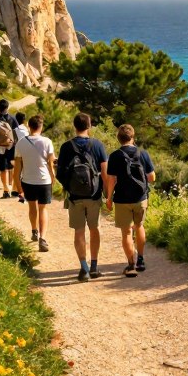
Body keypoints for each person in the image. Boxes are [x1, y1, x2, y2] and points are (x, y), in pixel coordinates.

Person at [57, 113, 111, 282]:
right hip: (94, 195)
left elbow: (60, 174)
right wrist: (107, 194)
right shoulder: (97, 145)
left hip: (75, 196)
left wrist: (69, 187)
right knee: (95, 229)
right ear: (89, 126)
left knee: (79, 232)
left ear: (75, 126)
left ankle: (84, 268)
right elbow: (105, 173)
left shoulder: (66, 147)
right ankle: (95, 266)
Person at [107, 124, 155, 277]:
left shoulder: (114, 156)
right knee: (139, 226)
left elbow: (112, 180)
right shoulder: (143, 153)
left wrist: (108, 198)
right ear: (133, 137)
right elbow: (152, 177)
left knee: (126, 232)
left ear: (118, 138)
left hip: (121, 199)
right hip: (140, 198)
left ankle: (131, 264)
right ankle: (141, 259)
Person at [13, 115, 56, 252]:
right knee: (43, 209)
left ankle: (34, 231)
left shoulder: (20, 143)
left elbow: (17, 168)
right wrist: (53, 178)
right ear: (41, 127)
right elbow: (51, 163)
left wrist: (18, 186)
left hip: (27, 180)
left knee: (32, 207)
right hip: (44, 181)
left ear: (29, 126)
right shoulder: (47, 142)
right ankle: (42, 239)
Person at [13, 111, 28, 204]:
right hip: (25, 153)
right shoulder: (26, 130)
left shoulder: (14, 129)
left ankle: (17, 190)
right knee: (23, 173)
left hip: (16, 153)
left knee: (17, 172)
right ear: (24, 120)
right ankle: (21, 192)